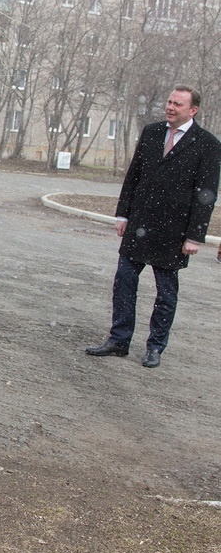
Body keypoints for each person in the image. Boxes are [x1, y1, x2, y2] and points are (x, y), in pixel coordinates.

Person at [86, 85, 221, 368]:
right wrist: (123, 215)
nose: (170, 107)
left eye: (178, 104)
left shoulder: (207, 144)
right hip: (140, 224)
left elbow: (206, 193)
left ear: (192, 110)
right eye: (169, 102)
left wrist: (195, 236)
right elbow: (133, 175)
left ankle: (155, 346)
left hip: (174, 232)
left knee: (166, 293)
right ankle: (119, 339)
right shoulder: (152, 132)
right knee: (124, 281)